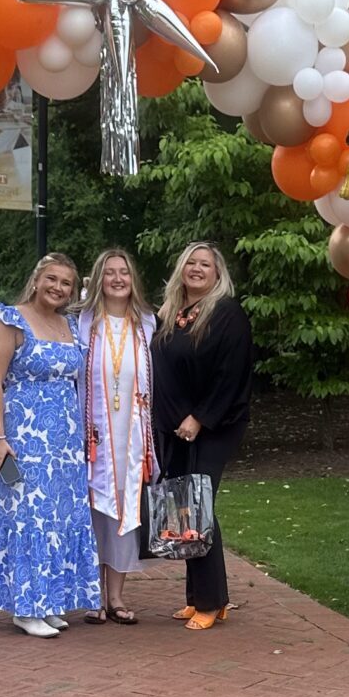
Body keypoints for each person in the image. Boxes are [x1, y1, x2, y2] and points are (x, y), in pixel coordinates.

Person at [0, 253, 101, 637]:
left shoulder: (68, 324)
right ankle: (26, 606)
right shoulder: (9, 320)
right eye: (52, 279)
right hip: (25, 437)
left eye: (66, 283)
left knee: (60, 517)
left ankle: (49, 601)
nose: (57, 288)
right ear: (36, 280)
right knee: (28, 516)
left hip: (64, 441)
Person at [151, 242, 253, 631]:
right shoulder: (171, 314)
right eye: (190, 263)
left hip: (213, 424)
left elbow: (231, 374)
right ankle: (202, 598)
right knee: (185, 507)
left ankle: (210, 602)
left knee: (199, 505)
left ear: (217, 273)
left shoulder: (226, 314)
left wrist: (200, 418)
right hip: (174, 427)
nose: (196, 269)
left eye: (205, 264)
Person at [76, 249, 156, 625]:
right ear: (99, 279)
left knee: (126, 508)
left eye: (124, 272)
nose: (118, 278)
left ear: (133, 279)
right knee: (94, 510)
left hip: (133, 432)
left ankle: (117, 597)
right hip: (92, 432)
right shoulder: (82, 323)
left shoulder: (148, 323)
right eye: (109, 272)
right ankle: (92, 595)